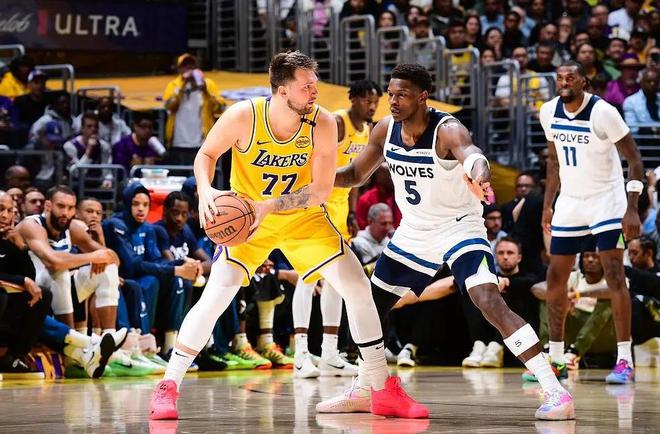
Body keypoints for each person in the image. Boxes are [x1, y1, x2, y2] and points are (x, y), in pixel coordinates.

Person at [149, 51, 426, 420]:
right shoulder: (243, 116)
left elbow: (321, 190)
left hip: (302, 218)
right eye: (306, 86)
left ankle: (380, 387)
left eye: (315, 84)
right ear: (282, 90)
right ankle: (168, 386)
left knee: (359, 287)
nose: (315, 91)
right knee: (216, 296)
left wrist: (270, 206)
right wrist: (206, 190)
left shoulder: (322, 122)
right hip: (248, 220)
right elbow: (206, 155)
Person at [319, 63, 574, 420]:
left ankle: (555, 390)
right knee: (369, 305)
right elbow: (355, 175)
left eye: (402, 95)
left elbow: (475, 157)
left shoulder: (448, 130)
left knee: (488, 300)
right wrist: (317, 177)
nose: (393, 101)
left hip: (460, 229)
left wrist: (479, 176)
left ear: (423, 97)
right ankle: (365, 389)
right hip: (414, 232)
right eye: (391, 94)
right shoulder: (385, 129)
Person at [539, 60, 644, 385]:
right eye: (559, 78)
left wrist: (632, 208)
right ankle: (557, 358)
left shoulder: (604, 112)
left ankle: (624, 360)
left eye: (570, 77)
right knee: (556, 277)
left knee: (614, 274)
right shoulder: (548, 111)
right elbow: (554, 161)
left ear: (584, 81)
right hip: (571, 200)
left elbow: (634, 159)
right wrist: (548, 205)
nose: (564, 82)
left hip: (606, 201)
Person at [291, 79, 380, 379]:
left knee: (337, 282)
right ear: (353, 99)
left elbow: (355, 177)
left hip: (340, 210)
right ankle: (301, 355)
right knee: (307, 277)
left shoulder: (368, 130)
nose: (372, 105)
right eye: (367, 100)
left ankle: (329, 353)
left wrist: (352, 212)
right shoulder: (338, 123)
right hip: (316, 206)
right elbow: (310, 162)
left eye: (375, 101)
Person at [17, 186, 121, 330]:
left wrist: (103, 259)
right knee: (59, 272)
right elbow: (53, 262)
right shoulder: (31, 225)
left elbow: (113, 258)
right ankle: (68, 336)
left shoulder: (72, 227)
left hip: (61, 287)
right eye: (61, 206)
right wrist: (94, 257)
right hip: (30, 287)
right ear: (48, 206)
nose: (65, 213)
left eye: (70, 208)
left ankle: (110, 334)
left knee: (109, 269)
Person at [0, 190, 52, 373]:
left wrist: (20, 247)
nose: (5, 216)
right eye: (0, 209)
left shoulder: (9, 238)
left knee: (43, 295)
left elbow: (30, 276)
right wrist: (21, 280)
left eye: (9, 211)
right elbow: (23, 278)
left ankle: (14, 357)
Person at [163, 53, 223, 165]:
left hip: (203, 144)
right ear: (179, 69)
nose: (189, 68)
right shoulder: (174, 85)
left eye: (192, 65)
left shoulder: (208, 84)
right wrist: (182, 88)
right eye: (185, 65)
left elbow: (219, 109)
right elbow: (168, 106)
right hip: (178, 143)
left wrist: (205, 91)